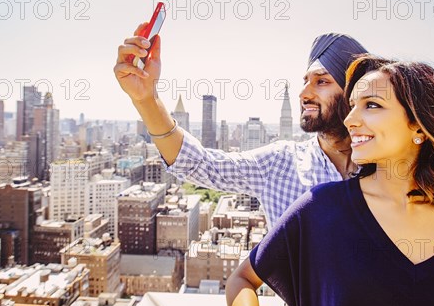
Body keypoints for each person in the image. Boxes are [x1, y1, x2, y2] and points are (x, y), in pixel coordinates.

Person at [226, 55, 434, 306]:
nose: (350, 119)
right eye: (352, 106)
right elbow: (243, 279)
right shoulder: (321, 210)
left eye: (372, 105)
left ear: (419, 124)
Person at [114, 23, 368, 227]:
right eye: (305, 81)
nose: (304, 93)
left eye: (321, 82)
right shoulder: (280, 163)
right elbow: (198, 164)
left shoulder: (390, 162)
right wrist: (146, 98)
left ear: (353, 92)